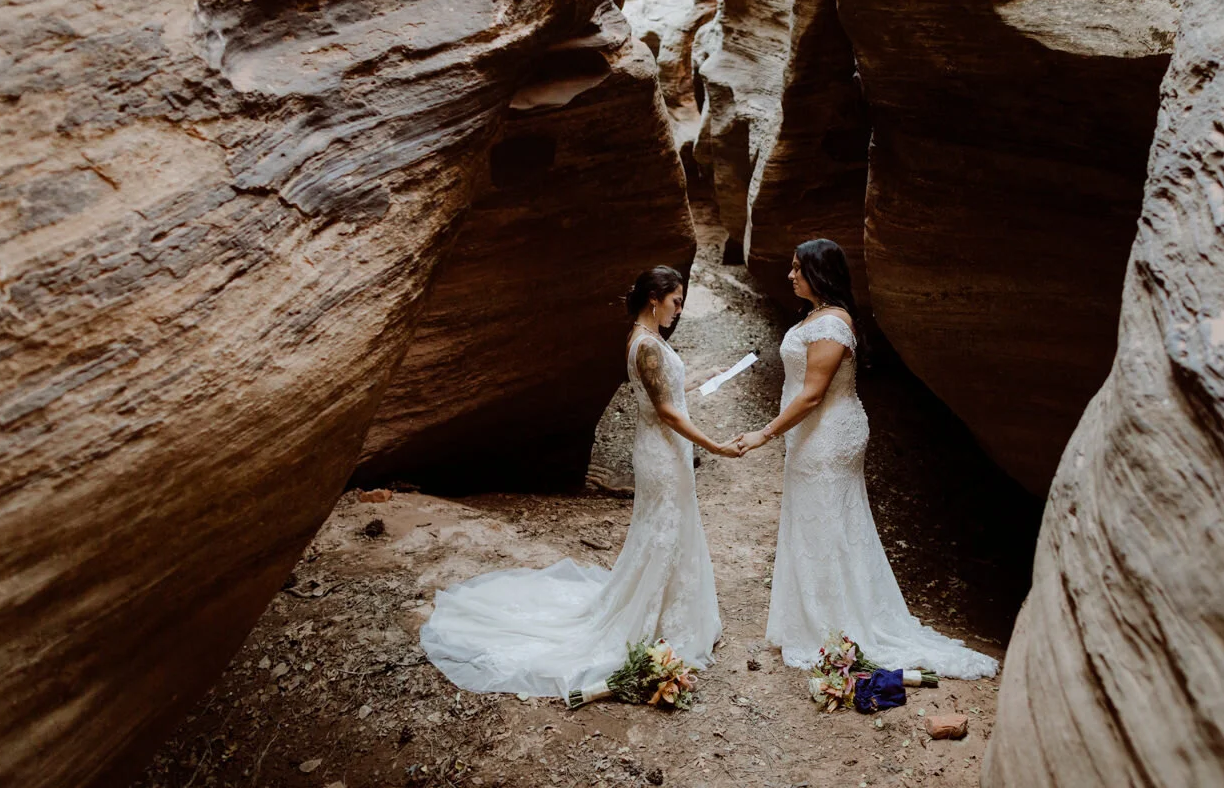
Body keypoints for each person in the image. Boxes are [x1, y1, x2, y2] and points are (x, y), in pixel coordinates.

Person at [419, 266, 741, 697]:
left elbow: (666, 395)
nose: (678, 310)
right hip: (662, 452)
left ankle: (672, 614)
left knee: (670, 529)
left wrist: (691, 386)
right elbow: (666, 411)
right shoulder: (647, 346)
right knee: (663, 532)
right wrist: (716, 446)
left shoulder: (645, 340)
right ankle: (655, 621)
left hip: (665, 450)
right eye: (675, 301)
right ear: (654, 298)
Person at [733, 240, 998, 678]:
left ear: (820, 273)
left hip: (829, 434)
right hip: (811, 434)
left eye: (798, 268)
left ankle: (838, 625)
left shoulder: (834, 324)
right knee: (817, 519)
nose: (790, 275)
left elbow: (814, 393)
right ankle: (818, 618)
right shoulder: (816, 316)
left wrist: (765, 432)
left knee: (829, 520)